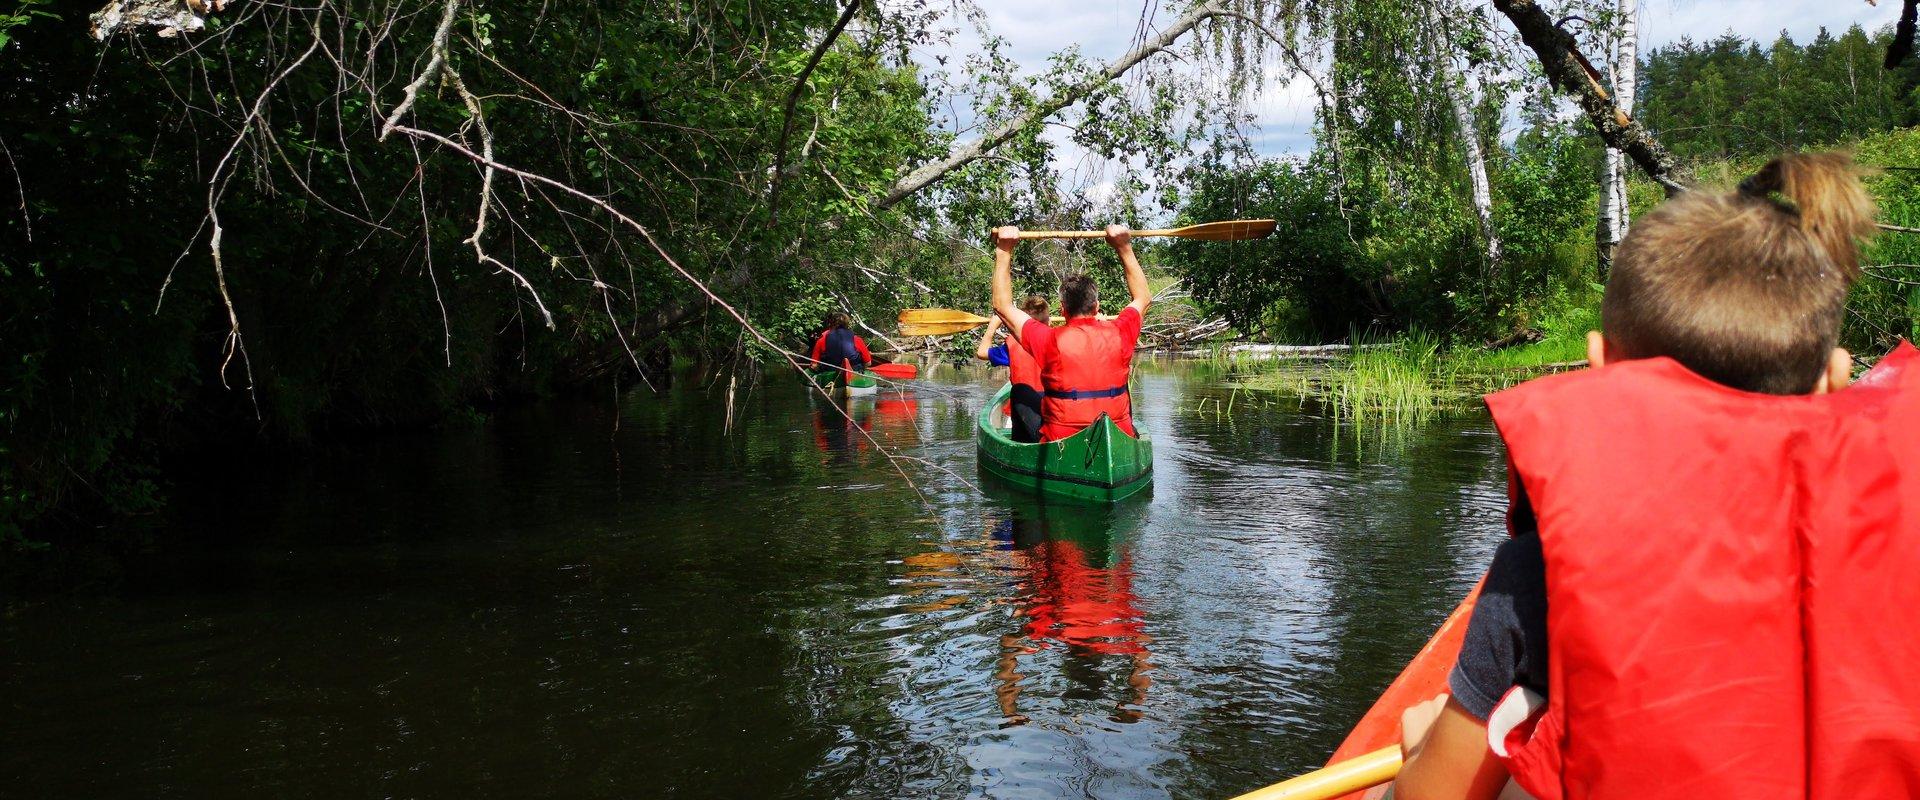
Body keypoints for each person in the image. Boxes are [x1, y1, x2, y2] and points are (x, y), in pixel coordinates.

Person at [1394, 151, 1920, 800]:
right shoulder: (1897, 549)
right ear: (1834, 381)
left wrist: (1418, 747)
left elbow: (1431, 799)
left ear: (1599, 367)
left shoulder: (1540, 575)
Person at [990, 224, 1152, 442]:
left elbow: (1002, 306)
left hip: (1062, 441)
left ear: (1062, 309)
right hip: (1117, 434)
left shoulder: (1049, 339)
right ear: (1097, 306)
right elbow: (1143, 298)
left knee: (1020, 391)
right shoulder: (1120, 332)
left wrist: (1004, 250)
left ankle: (1023, 450)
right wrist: (1124, 246)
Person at [974, 295, 1051, 443]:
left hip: (1021, 412)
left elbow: (981, 352)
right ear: (1049, 321)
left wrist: (992, 327)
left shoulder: (1012, 345)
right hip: (1054, 411)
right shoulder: (1059, 339)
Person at [808, 311, 871, 378]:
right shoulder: (857, 339)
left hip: (830, 375)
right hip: (854, 373)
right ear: (847, 324)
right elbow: (868, 363)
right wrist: (862, 369)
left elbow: (814, 365)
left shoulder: (821, 340)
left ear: (831, 324)